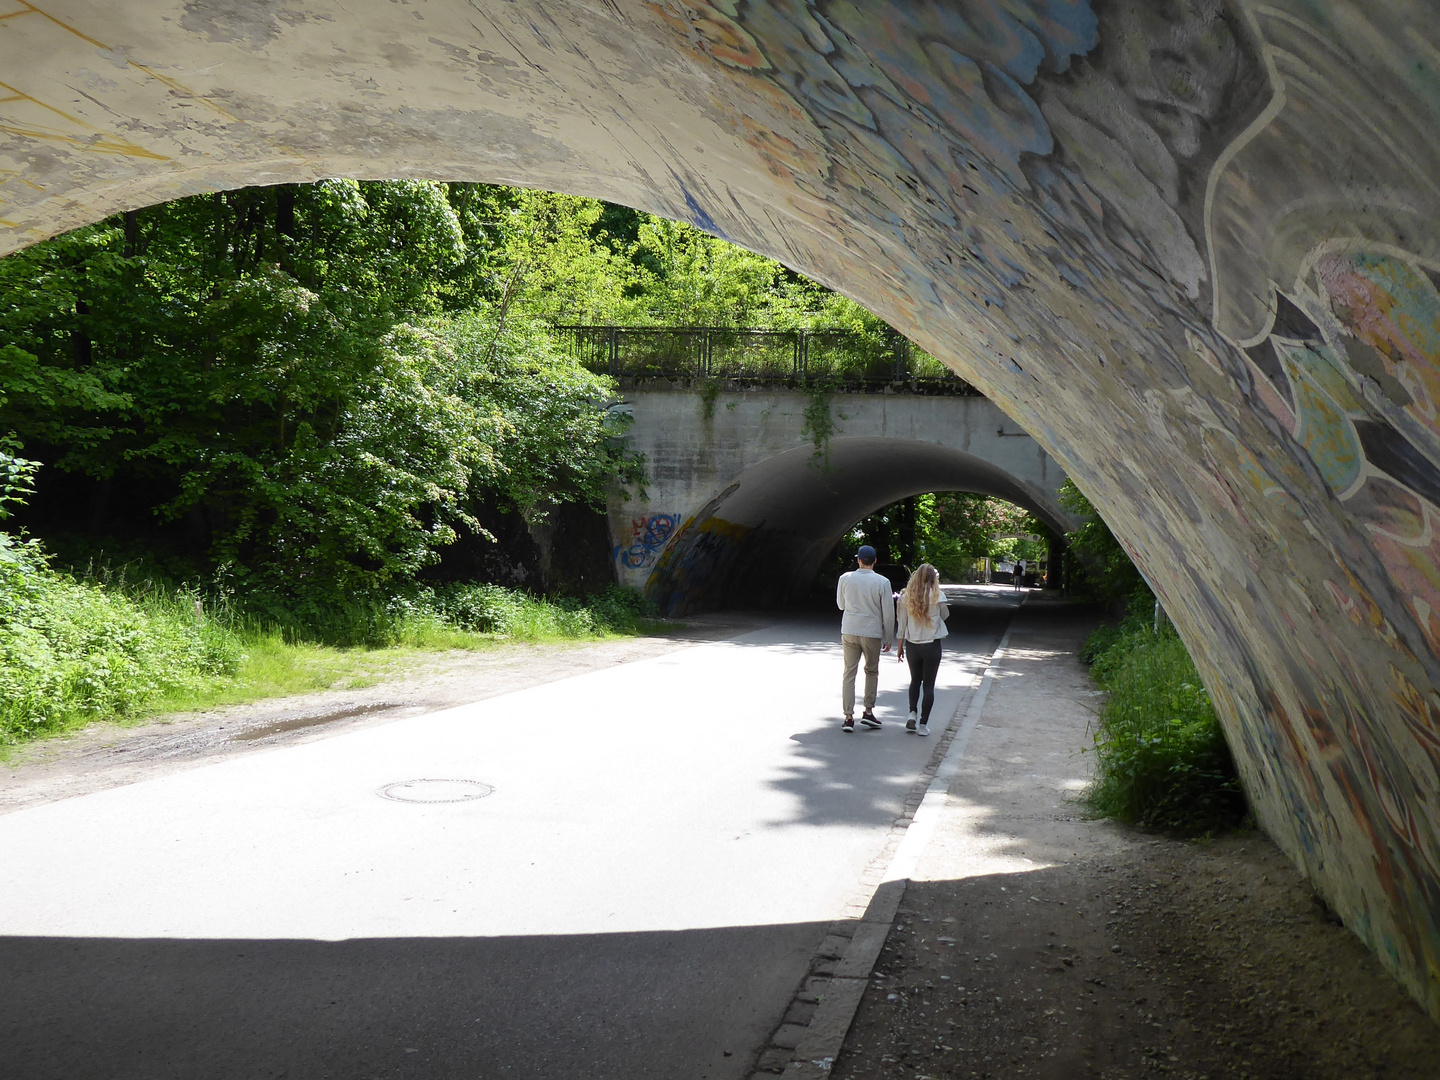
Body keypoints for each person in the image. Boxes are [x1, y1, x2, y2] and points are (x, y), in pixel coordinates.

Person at [836, 544, 895, 733]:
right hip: (872, 632)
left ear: (858, 560)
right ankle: (868, 711)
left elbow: (840, 605)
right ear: (875, 561)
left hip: (850, 630)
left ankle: (848, 716)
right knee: (871, 671)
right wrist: (888, 637)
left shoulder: (845, 578)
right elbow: (888, 612)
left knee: (849, 673)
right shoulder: (883, 582)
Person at [896, 563, 950, 735]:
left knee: (914, 681)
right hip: (932, 644)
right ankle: (923, 725)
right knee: (928, 685)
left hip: (912, 645)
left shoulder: (906, 596)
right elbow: (945, 615)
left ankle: (912, 713)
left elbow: (902, 624)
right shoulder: (938, 595)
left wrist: (899, 647)